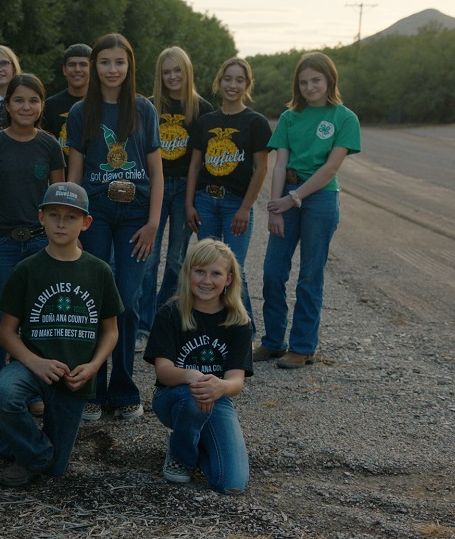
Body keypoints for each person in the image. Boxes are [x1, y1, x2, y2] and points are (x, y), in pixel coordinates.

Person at [0, 182, 123, 486]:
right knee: (1, 394)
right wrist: (35, 363)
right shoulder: (28, 269)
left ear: (86, 222)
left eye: (71, 217)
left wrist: (93, 367)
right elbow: (6, 333)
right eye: (54, 215)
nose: (61, 223)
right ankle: (28, 450)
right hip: (32, 369)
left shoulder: (99, 271)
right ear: (41, 217)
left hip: (75, 377)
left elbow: (111, 331)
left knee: (55, 469)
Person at [66, 33, 163, 422]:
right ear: (94, 66)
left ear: (129, 66)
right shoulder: (80, 112)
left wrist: (155, 223)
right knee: (94, 299)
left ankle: (123, 389)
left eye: (119, 62)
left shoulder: (143, 110)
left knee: (126, 299)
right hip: (96, 213)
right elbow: (74, 173)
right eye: (104, 62)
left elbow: (156, 171)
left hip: (137, 215)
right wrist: (73, 222)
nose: (111, 69)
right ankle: (92, 388)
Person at [256, 52, 361, 369]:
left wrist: (295, 198)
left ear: (329, 80)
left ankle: (302, 348)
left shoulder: (344, 118)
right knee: (273, 273)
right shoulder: (289, 118)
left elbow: (330, 168)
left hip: (320, 199)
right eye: (303, 82)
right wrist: (276, 207)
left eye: (316, 80)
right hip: (287, 195)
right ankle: (273, 342)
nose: (309, 86)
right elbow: (280, 164)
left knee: (310, 276)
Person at [0, 73, 66, 418]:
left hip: (40, 241)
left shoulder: (50, 146)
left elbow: (59, 201)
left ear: (41, 106)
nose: (25, 107)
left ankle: (30, 392)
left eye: (33, 100)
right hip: (0, 242)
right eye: (18, 100)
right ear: (7, 104)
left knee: (35, 321)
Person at [143, 238, 252, 494]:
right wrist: (195, 376)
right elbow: (164, 372)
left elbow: (236, 382)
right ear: (188, 273)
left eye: (216, 274)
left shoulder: (238, 321)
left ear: (228, 279)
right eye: (199, 271)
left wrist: (220, 386)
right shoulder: (171, 314)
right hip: (173, 397)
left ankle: (198, 441)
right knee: (193, 396)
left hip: (217, 398)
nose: (206, 280)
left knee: (232, 484)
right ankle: (181, 457)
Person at [135, 46, 213, 354]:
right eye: (166, 71)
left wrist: (192, 198)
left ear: (187, 71)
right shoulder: (149, 106)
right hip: (154, 185)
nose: (172, 77)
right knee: (147, 256)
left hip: (184, 188)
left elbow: (201, 161)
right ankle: (142, 325)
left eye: (177, 70)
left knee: (177, 258)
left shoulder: (201, 108)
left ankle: (163, 318)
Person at [185, 57, 271, 334]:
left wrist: (246, 208)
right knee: (206, 268)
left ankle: (244, 331)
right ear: (219, 81)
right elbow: (195, 164)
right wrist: (189, 203)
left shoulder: (256, 123)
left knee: (235, 270)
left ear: (247, 84)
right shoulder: (207, 121)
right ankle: (210, 328)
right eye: (228, 79)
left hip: (236, 203)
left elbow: (260, 168)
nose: (232, 85)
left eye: (239, 80)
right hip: (205, 202)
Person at [42, 44, 91, 158]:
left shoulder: (103, 103)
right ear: (64, 70)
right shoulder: (50, 106)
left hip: (94, 173)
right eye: (72, 65)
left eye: (83, 64)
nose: (77, 69)